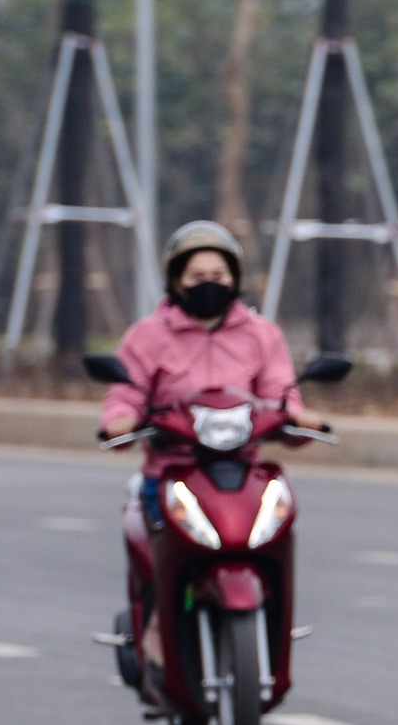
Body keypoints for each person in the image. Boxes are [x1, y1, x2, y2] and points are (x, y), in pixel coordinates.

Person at [99, 221, 322, 667]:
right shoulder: (146, 336)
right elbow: (125, 394)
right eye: (196, 277)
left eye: (219, 277)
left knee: (279, 519)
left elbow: (282, 393)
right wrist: (120, 420)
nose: (209, 286)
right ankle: (161, 622)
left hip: (244, 468)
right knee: (160, 535)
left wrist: (297, 416)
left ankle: (276, 616)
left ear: (235, 279)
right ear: (175, 280)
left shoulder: (262, 334)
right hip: (172, 469)